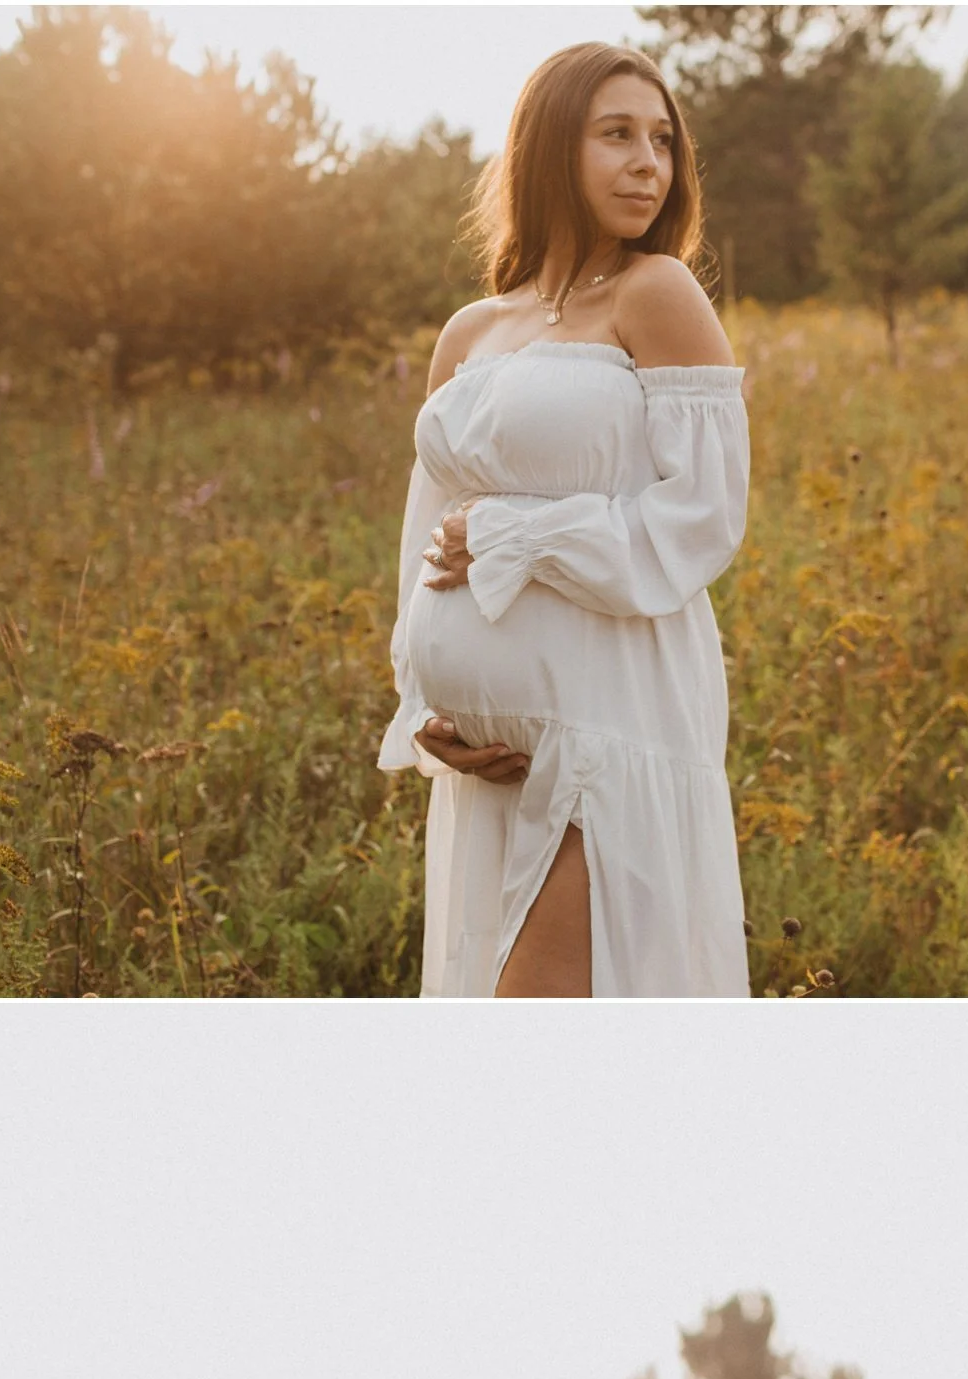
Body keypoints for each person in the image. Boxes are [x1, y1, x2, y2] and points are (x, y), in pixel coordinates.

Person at [377, 43, 752, 1001]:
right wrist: (425, 705)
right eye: (616, 135)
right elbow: (429, 536)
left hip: (613, 728)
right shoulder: (471, 330)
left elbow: (697, 521)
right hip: (490, 765)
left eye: (663, 140)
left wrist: (515, 533)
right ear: (547, 148)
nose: (649, 164)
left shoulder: (655, 292)